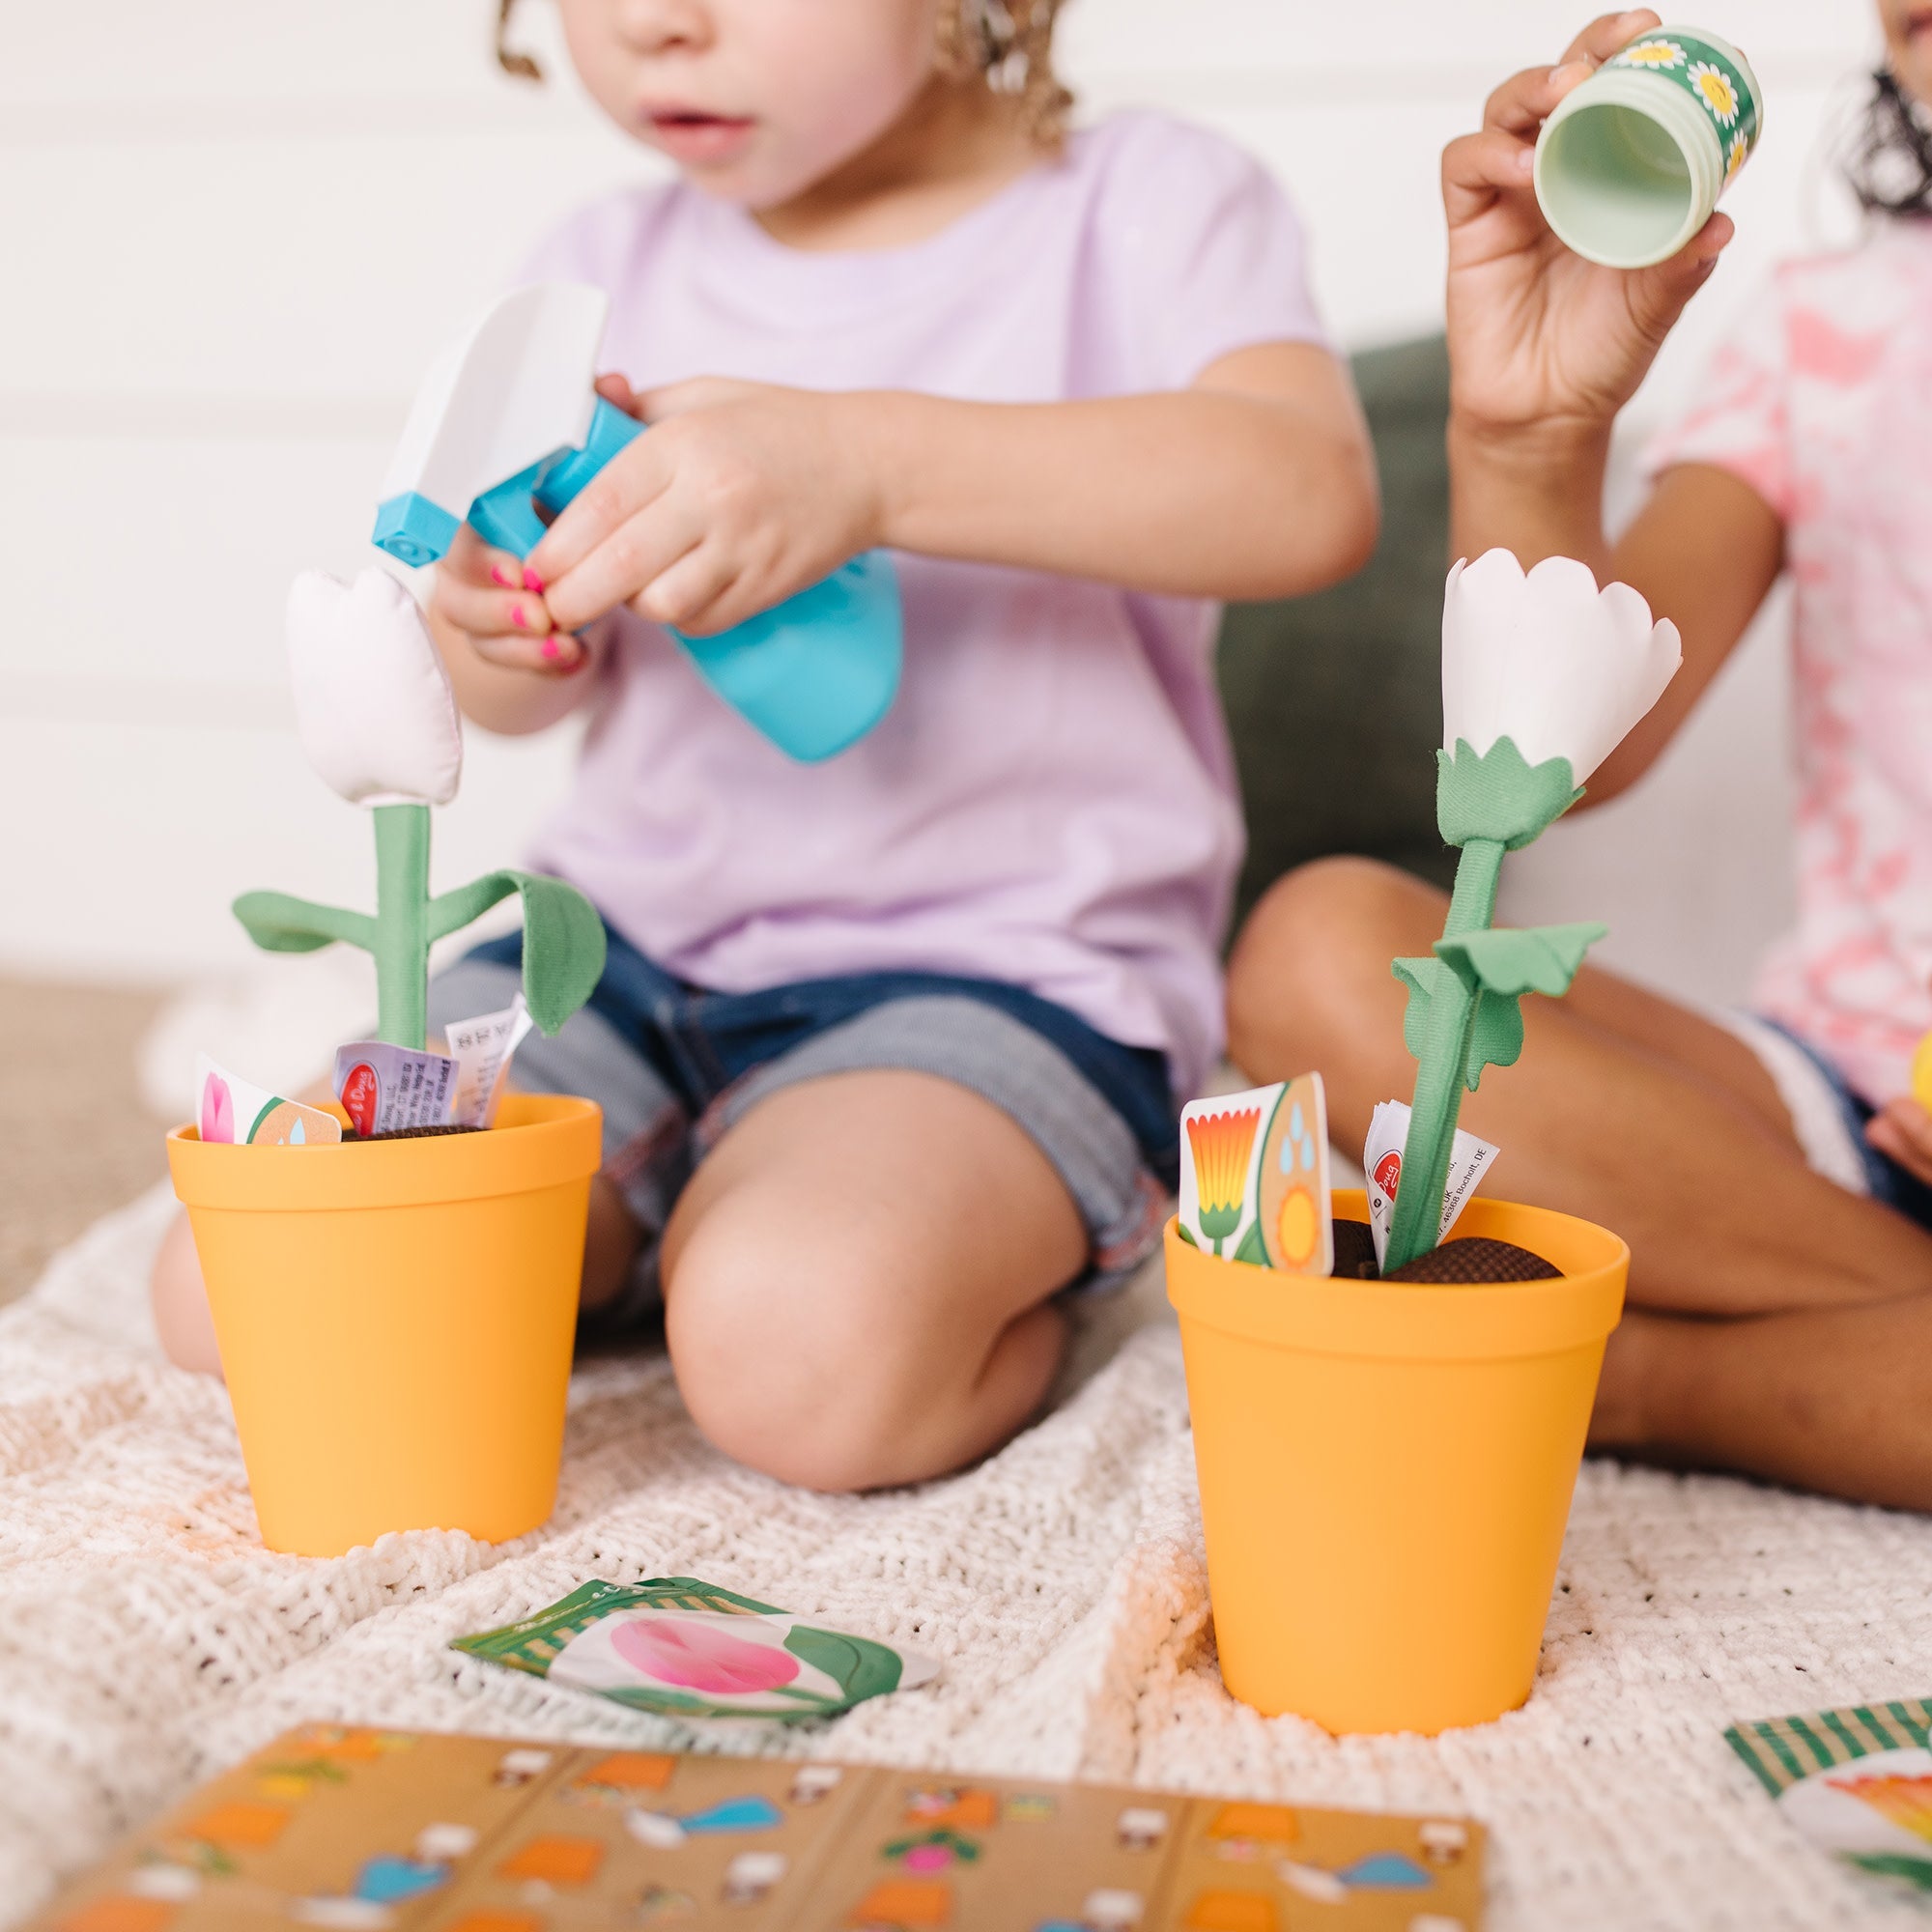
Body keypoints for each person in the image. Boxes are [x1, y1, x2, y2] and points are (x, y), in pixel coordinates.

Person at [151, 0, 1378, 1491]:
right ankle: (649, 1216)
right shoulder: (603, 263)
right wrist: (504, 626)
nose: (656, 26)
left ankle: (932, 1265)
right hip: (613, 950)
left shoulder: (1147, 201)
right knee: (236, 1288)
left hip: (1004, 978)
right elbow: (527, 697)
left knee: (798, 1349)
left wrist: (869, 466)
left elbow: (1306, 495)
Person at [1227, 6, 1932, 1510]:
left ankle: (1640, 1376)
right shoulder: (1831, 328)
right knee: (1323, 952)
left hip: (1769, 1239)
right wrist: (1530, 431)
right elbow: (1565, 758)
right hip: (1822, 1116)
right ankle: (1881, 1328)